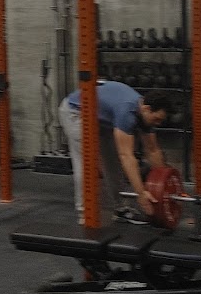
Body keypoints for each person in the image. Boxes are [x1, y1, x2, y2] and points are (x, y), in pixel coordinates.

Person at [58, 81, 174, 225]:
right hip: (76, 111)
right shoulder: (127, 113)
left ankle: (120, 209)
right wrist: (141, 193)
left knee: (112, 162)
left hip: (101, 118)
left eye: (160, 121)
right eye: (156, 119)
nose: (158, 124)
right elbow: (127, 156)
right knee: (86, 163)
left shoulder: (145, 115)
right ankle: (85, 213)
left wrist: (164, 184)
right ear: (146, 108)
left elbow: (153, 150)